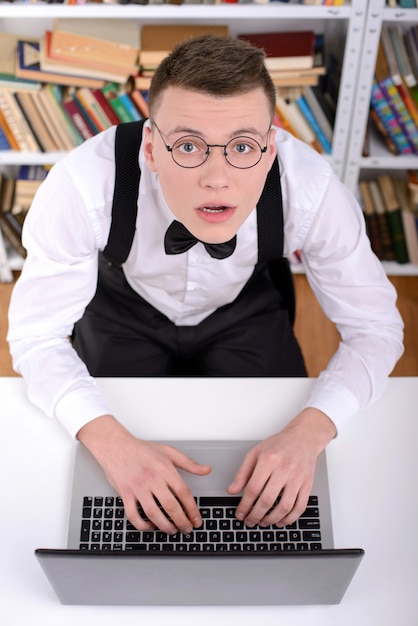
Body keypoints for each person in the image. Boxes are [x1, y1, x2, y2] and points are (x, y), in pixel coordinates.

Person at [8, 34, 403, 537]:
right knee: (100, 465)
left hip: (244, 310)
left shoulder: (311, 188)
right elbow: (36, 337)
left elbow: (374, 329)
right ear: (151, 147)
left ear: (270, 148)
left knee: (274, 457)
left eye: (242, 146)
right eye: (189, 145)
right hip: (121, 311)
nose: (217, 179)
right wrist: (109, 442)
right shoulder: (83, 184)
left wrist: (310, 433)